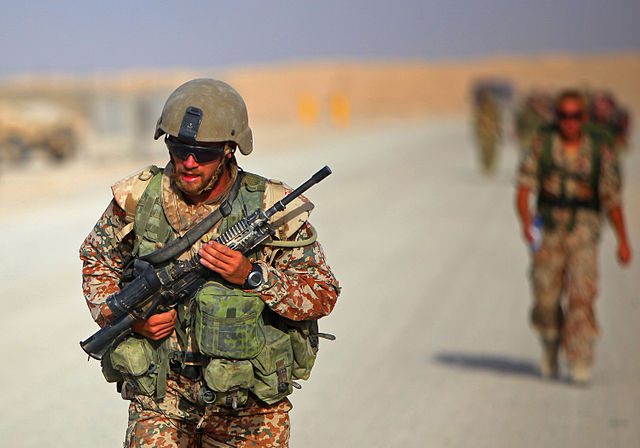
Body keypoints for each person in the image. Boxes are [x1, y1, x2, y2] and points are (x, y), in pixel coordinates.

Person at [80, 78, 341, 446]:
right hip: (160, 397)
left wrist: (252, 276)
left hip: (248, 406)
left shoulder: (269, 207)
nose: (188, 163)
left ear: (230, 150)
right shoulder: (139, 198)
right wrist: (130, 321)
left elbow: (323, 292)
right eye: (179, 147)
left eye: (203, 153)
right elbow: (97, 259)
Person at [515, 89, 632, 385]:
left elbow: (612, 200)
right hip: (550, 230)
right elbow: (523, 189)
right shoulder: (543, 146)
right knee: (545, 295)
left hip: (584, 231)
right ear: (557, 118)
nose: (569, 122)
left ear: (583, 118)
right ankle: (550, 343)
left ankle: (580, 357)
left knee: (582, 295)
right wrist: (527, 222)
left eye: (575, 116)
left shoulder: (597, 151)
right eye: (564, 116)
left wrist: (623, 241)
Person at [472, 86, 502, 176]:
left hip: (492, 133)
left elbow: (498, 121)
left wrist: (498, 131)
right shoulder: (480, 110)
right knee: (484, 151)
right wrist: (478, 132)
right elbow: (477, 122)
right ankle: (486, 167)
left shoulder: (495, 111)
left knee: (492, 151)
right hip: (484, 133)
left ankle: (490, 166)